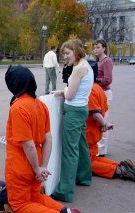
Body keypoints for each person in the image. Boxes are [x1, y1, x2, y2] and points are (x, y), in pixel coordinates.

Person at [4, 65, 95, 213]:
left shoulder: (18, 107)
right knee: (35, 196)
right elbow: (48, 138)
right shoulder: (40, 105)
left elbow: (27, 145)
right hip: (37, 159)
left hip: (21, 162)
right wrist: (42, 166)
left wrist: (37, 169)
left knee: (19, 204)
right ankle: (65, 210)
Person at [51, 39, 93, 203]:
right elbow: (76, 91)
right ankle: (84, 177)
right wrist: (64, 91)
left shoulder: (78, 69)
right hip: (82, 109)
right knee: (81, 145)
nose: (65, 57)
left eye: (67, 53)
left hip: (74, 111)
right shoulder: (86, 65)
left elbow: (70, 95)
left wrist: (64, 91)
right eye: (64, 54)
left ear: (76, 51)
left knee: (70, 151)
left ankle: (65, 191)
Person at [86, 81, 135, 181]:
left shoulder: (89, 90)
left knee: (86, 163)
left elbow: (96, 113)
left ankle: (119, 170)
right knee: (93, 158)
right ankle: (121, 165)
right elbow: (104, 109)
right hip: (95, 131)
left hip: (89, 132)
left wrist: (104, 124)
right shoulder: (99, 88)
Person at [92, 39, 114, 157]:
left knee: (103, 120)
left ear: (104, 48)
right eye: (94, 47)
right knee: (98, 121)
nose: (95, 49)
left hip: (104, 93)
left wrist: (95, 80)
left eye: (98, 47)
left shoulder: (107, 61)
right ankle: (99, 148)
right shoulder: (97, 61)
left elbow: (108, 79)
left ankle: (101, 149)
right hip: (97, 94)